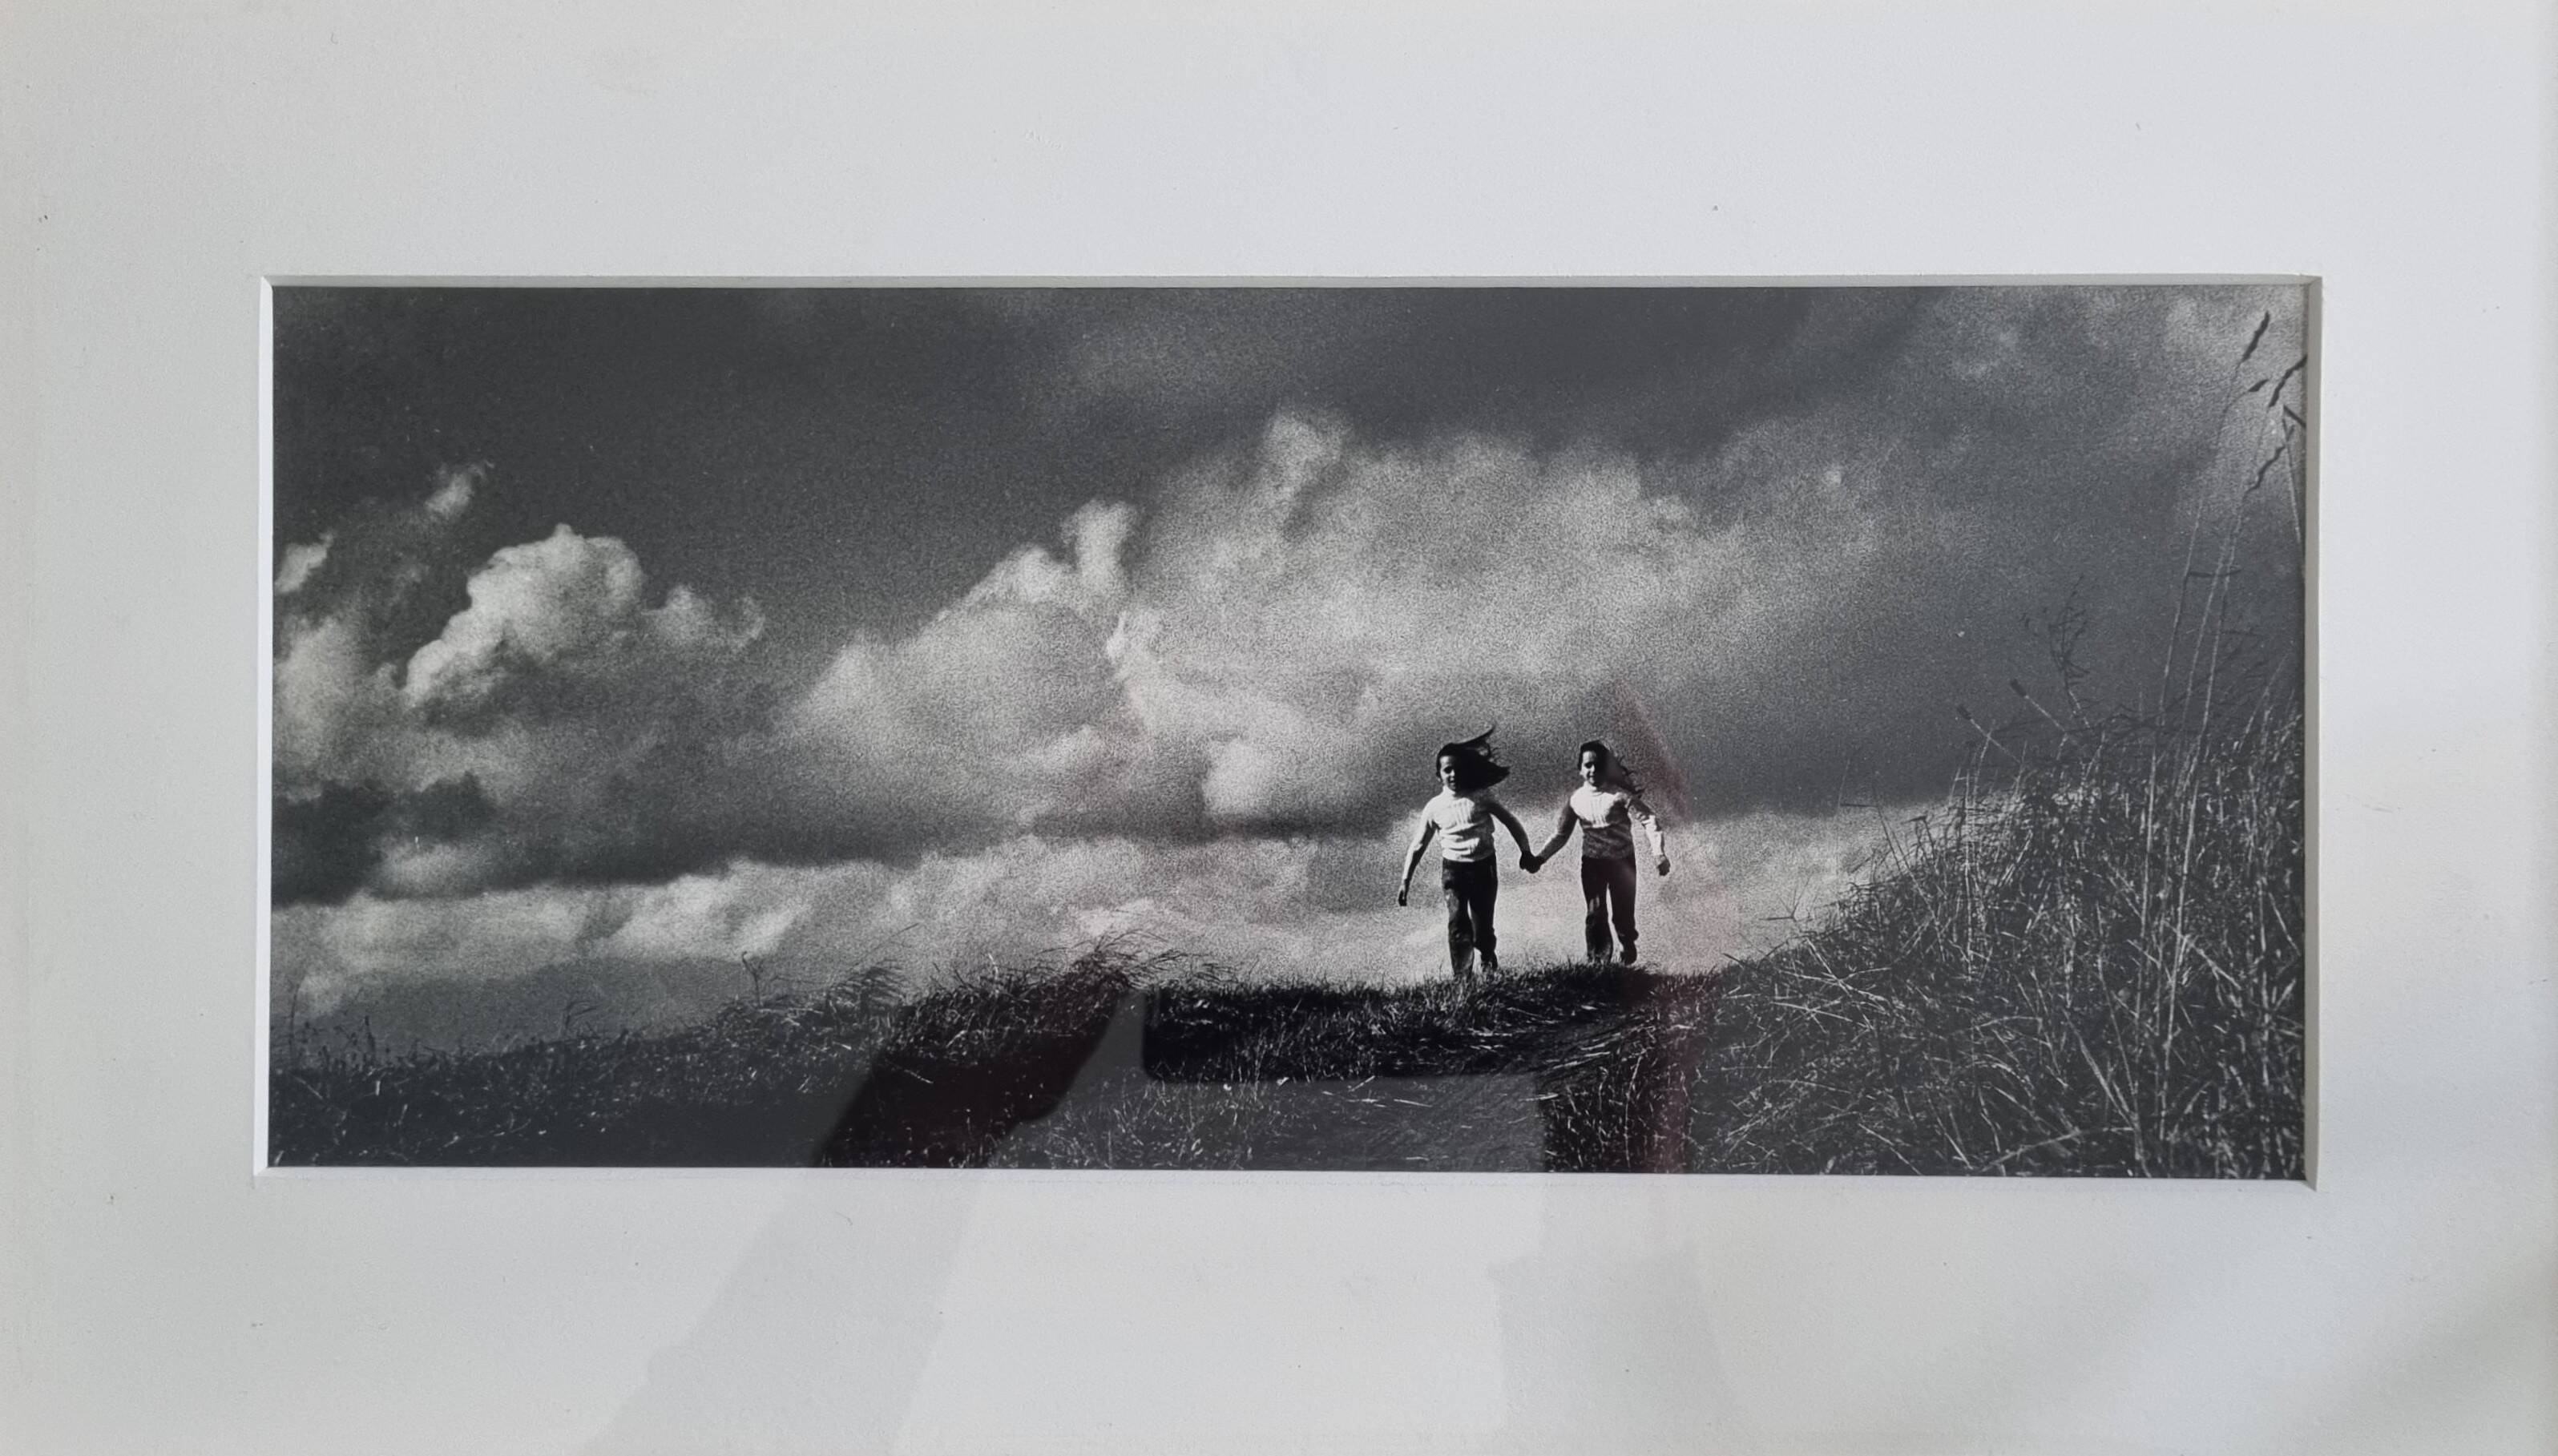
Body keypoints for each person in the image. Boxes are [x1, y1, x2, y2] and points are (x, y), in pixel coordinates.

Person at [1396, 732, 1538, 986]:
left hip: (1484, 867)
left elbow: (1511, 822)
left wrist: (1525, 851)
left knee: (1483, 928)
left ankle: (1488, 958)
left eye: (1458, 769)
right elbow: (1417, 846)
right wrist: (1405, 881)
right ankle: (1463, 980)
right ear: (1438, 774)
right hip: (1454, 871)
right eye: (1447, 770)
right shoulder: (1434, 807)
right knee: (1458, 921)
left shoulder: (1481, 797)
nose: (1453, 775)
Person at [1526, 740, 1670, 965]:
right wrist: (1540, 858)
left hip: (1622, 862)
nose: (1593, 770)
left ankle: (1626, 939)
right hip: (1593, 863)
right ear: (1580, 769)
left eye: (1598, 765)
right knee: (1595, 912)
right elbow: (1561, 835)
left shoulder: (1620, 796)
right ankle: (1598, 962)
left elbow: (1649, 820)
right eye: (1588, 765)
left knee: (1622, 914)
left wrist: (1658, 853)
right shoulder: (1576, 800)